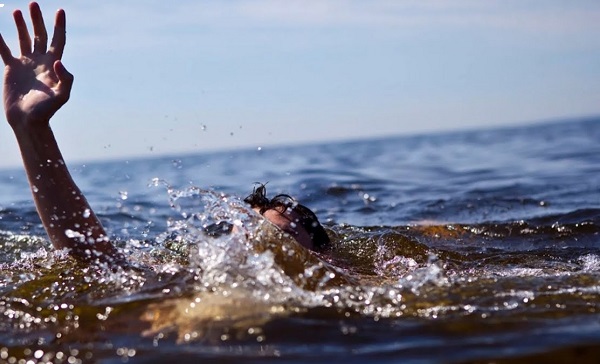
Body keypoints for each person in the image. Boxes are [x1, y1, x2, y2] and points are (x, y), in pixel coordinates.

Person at [0, 2, 329, 264]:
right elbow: (92, 259)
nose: (256, 239)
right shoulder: (190, 284)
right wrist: (32, 131)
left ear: (323, 259)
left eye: (280, 235)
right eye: (250, 231)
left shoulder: (339, 290)